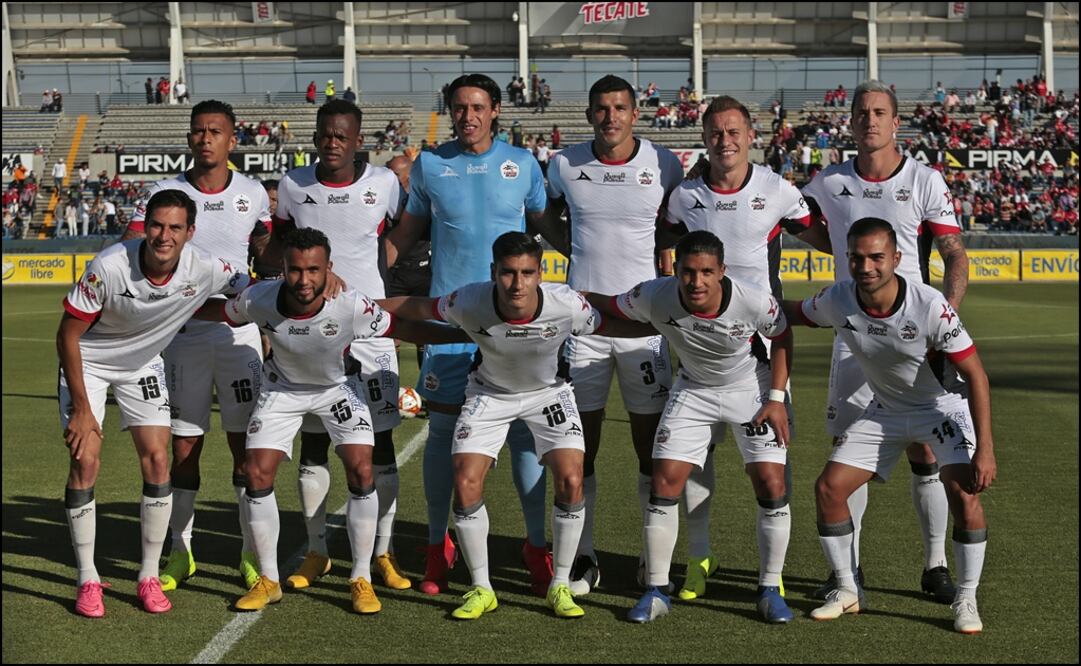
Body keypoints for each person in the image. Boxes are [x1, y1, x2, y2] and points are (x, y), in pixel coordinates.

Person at [378, 232, 654, 619]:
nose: (517, 283)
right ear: (494, 272)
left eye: (527, 273)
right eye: (508, 273)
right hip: (489, 394)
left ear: (540, 273)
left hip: (549, 395)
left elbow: (608, 324)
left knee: (572, 477)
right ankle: (482, 588)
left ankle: (559, 584)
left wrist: (663, 327)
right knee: (465, 478)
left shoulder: (566, 304)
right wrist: (360, 307)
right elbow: (419, 307)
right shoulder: (469, 300)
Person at [199, 228, 464, 613]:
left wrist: (463, 335)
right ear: (283, 268)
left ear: (329, 270)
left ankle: (360, 576)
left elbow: (401, 326)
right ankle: (269, 579)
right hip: (282, 389)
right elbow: (220, 311)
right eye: (295, 270)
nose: (303, 280)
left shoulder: (350, 304)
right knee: (256, 472)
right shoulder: (259, 298)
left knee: (361, 468)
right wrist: (166, 310)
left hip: (338, 388)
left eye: (313, 270)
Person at [800, 80, 971, 604]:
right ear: (849, 122)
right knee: (847, 448)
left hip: (916, 340)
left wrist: (945, 325)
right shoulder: (828, 182)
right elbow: (793, 221)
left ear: (896, 123)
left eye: (879, 113)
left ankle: (935, 564)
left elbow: (955, 255)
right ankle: (847, 573)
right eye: (861, 113)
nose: (869, 121)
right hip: (853, 338)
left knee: (926, 450)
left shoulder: (924, 179)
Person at [383, 73, 554, 598]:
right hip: (451, 325)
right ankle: (438, 545)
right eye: (459, 108)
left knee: (525, 435)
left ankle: (535, 545)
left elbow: (547, 231)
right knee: (441, 438)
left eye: (478, 107)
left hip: (513, 324)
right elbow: (404, 237)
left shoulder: (524, 166)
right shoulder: (430, 167)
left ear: (496, 110)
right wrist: (362, 289)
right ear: (450, 111)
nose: (468, 116)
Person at [783, 218, 995, 634]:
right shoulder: (838, 299)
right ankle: (847, 589)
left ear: (896, 259)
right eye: (857, 258)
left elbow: (977, 376)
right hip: (885, 410)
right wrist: (738, 306)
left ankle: (966, 597)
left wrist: (985, 448)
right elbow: (793, 313)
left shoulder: (930, 305)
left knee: (964, 494)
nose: (867, 267)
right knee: (829, 488)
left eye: (877, 257)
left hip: (940, 409)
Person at [663, 95, 829, 600]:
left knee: (770, 475)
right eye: (715, 131)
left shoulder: (778, 191)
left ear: (751, 135)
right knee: (694, 465)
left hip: (762, 358)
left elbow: (825, 235)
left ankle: (770, 582)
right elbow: (657, 243)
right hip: (697, 351)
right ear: (704, 135)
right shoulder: (684, 196)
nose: (724, 140)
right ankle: (698, 558)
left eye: (734, 131)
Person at [58, 189, 251, 618]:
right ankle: (87, 578)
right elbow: (67, 334)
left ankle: (148, 575)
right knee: (85, 461)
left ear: (190, 232)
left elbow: (254, 290)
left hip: (142, 365)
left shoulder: (205, 267)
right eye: (157, 226)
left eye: (175, 228)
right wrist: (84, 410)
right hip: (89, 363)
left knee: (159, 461)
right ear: (147, 226)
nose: (164, 236)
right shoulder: (109, 266)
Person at [586, 230, 794, 624]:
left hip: (750, 388)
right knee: (664, 479)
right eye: (687, 272)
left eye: (706, 272)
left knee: (771, 482)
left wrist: (777, 400)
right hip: (693, 389)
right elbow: (611, 306)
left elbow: (782, 335)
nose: (696, 282)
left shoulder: (752, 300)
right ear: (674, 269)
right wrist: (573, 300)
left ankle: (770, 589)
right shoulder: (653, 293)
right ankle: (657, 591)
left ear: (722, 272)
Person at [531, 74, 683, 595]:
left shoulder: (664, 164)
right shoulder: (564, 164)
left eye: (620, 108)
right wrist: (568, 246)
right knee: (580, 447)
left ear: (635, 113)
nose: (610, 117)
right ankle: (583, 558)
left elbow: (671, 227)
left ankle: (648, 558)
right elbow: (542, 214)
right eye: (601, 108)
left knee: (650, 446)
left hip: (643, 329)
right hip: (584, 327)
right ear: (590, 113)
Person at [120, 100, 274, 594]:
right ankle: (180, 552)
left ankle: (249, 552)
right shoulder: (167, 194)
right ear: (189, 137)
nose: (205, 138)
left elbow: (266, 249)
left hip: (238, 337)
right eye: (198, 131)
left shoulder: (252, 194)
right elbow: (132, 250)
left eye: (215, 131)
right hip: (182, 337)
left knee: (244, 448)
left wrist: (267, 314)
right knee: (184, 447)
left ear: (233, 139)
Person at [270, 99, 412, 594]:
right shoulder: (293, 185)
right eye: (325, 133)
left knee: (381, 443)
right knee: (314, 443)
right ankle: (316, 551)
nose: (332, 142)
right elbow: (282, 247)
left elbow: (406, 230)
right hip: (311, 331)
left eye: (342, 135)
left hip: (370, 331)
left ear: (357, 140)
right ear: (316, 135)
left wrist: (376, 280)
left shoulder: (384, 184)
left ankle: (382, 553)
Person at [383, 153, 432, 373]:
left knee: (426, 336)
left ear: (408, 177)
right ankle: (391, 395)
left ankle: (430, 393)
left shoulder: (427, 201)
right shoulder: (379, 200)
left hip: (424, 274)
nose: (387, 178)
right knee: (392, 335)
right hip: (394, 276)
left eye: (393, 174)